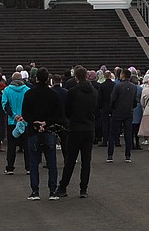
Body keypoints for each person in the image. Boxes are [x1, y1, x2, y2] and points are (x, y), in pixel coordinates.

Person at [20, 67, 62, 200]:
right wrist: (46, 123)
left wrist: (35, 123)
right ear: (48, 79)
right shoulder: (54, 94)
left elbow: (25, 113)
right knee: (51, 162)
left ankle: (35, 191)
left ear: (36, 78)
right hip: (49, 130)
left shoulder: (29, 94)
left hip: (33, 131)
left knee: (33, 162)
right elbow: (59, 114)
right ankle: (53, 191)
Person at [56, 65, 96, 198]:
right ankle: (83, 189)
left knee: (70, 159)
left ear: (76, 77)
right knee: (86, 160)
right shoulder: (94, 91)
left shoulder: (72, 92)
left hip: (75, 127)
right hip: (89, 127)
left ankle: (63, 187)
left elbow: (67, 110)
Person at [1, 71, 28, 175]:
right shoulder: (27, 90)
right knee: (26, 145)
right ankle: (28, 167)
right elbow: (29, 104)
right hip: (25, 121)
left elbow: (5, 105)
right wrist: (23, 116)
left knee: (11, 145)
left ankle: (10, 167)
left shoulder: (7, 90)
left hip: (12, 121)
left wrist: (14, 115)